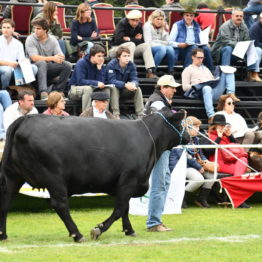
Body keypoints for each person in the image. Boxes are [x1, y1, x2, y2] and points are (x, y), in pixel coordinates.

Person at [145, 74, 181, 232]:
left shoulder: (159, 100)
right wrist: (177, 115)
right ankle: (153, 222)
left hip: (161, 146)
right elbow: (166, 117)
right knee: (159, 183)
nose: (174, 90)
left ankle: (156, 219)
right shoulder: (158, 101)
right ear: (163, 88)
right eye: (171, 87)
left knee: (164, 181)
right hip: (158, 146)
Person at [182, 48, 238, 122]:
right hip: (200, 92)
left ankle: (231, 93)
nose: (201, 60)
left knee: (228, 69)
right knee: (206, 88)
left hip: (213, 90)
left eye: (202, 58)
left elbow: (212, 80)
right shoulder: (187, 70)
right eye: (199, 57)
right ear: (193, 57)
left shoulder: (205, 69)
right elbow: (184, 87)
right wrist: (197, 84)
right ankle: (211, 116)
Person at [169, 116, 215, 208]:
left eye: (198, 127)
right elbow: (186, 157)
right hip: (180, 165)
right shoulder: (180, 138)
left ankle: (201, 199)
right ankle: (181, 198)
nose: (198, 129)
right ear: (188, 127)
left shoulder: (195, 139)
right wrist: (199, 167)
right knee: (198, 178)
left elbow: (200, 153)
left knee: (212, 176)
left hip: (192, 165)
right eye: (196, 127)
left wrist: (206, 161)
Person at [25, 18, 72, 100]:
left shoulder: (52, 39)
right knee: (41, 63)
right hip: (32, 68)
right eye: (35, 28)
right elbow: (34, 58)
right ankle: (43, 92)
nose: (36, 31)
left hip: (47, 67)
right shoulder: (30, 39)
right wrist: (53, 58)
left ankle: (58, 91)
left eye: (38, 29)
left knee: (67, 65)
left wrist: (60, 57)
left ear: (45, 30)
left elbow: (60, 55)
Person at [211, 8, 262, 82]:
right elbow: (226, 42)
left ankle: (251, 74)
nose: (239, 18)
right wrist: (240, 45)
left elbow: (247, 40)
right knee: (228, 48)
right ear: (232, 16)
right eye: (237, 16)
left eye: (241, 16)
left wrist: (247, 45)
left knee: (255, 49)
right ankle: (225, 74)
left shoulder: (244, 26)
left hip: (238, 51)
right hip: (221, 52)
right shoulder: (225, 26)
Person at [109, 9, 158, 79]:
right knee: (131, 44)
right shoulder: (122, 24)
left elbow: (141, 41)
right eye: (133, 20)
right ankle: (129, 71)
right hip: (116, 49)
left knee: (146, 45)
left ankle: (150, 71)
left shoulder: (139, 25)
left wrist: (128, 39)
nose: (135, 23)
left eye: (137, 20)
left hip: (130, 50)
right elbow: (118, 40)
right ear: (128, 19)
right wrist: (134, 39)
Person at [68, 44, 113, 112]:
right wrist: (96, 83)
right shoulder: (81, 63)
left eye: (102, 56)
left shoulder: (100, 64)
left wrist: (99, 69)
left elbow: (101, 83)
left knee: (106, 89)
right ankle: (87, 116)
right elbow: (80, 81)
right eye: (99, 56)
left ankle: (104, 114)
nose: (101, 58)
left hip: (92, 89)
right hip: (75, 89)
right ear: (92, 56)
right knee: (88, 89)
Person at [169, 6, 214, 72]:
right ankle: (186, 72)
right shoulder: (177, 25)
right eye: (187, 15)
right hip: (181, 50)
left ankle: (211, 72)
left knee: (206, 48)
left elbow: (201, 39)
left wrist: (205, 42)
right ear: (183, 16)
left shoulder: (197, 26)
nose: (189, 17)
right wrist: (179, 44)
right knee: (193, 47)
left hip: (195, 48)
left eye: (191, 15)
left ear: (194, 17)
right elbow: (170, 42)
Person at [106, 46, 144, 119]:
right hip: (113, 91)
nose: (127, 58)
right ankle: (116, 114)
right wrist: (125, 85)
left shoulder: (131, 65)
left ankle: (140, 114)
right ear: (118, 57)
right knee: (114, 88)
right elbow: (111, 80)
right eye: (124, 56)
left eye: (128, 56)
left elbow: (135, 78)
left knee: (137, 89)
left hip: (124, 90)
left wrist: (133, 84)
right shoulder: (111, 65)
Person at [0, 19, 37, 90]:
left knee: (34, 68)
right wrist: (9, 63)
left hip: (14, 68)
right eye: (4, 27)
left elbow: (21, 59)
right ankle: (4, 91)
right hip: (2, 67)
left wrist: (23, 62)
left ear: (13, 29)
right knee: (7, 70)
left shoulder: (18, 44)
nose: (5, 30)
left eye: (8, 28)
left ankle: (22, 90)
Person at [143, 9, 176, 75]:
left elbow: (168, 41)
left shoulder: (165, 25)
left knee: (170, 49)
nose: (160, 21)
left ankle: (170, 71)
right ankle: (152, 71)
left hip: (161, 46)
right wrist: (162, 43)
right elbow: (148, 42)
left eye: (161, 19)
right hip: (150, 47)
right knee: (162, 49)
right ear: (153, 19)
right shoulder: (147, 25)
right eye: (158, 19)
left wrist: (165, 31)